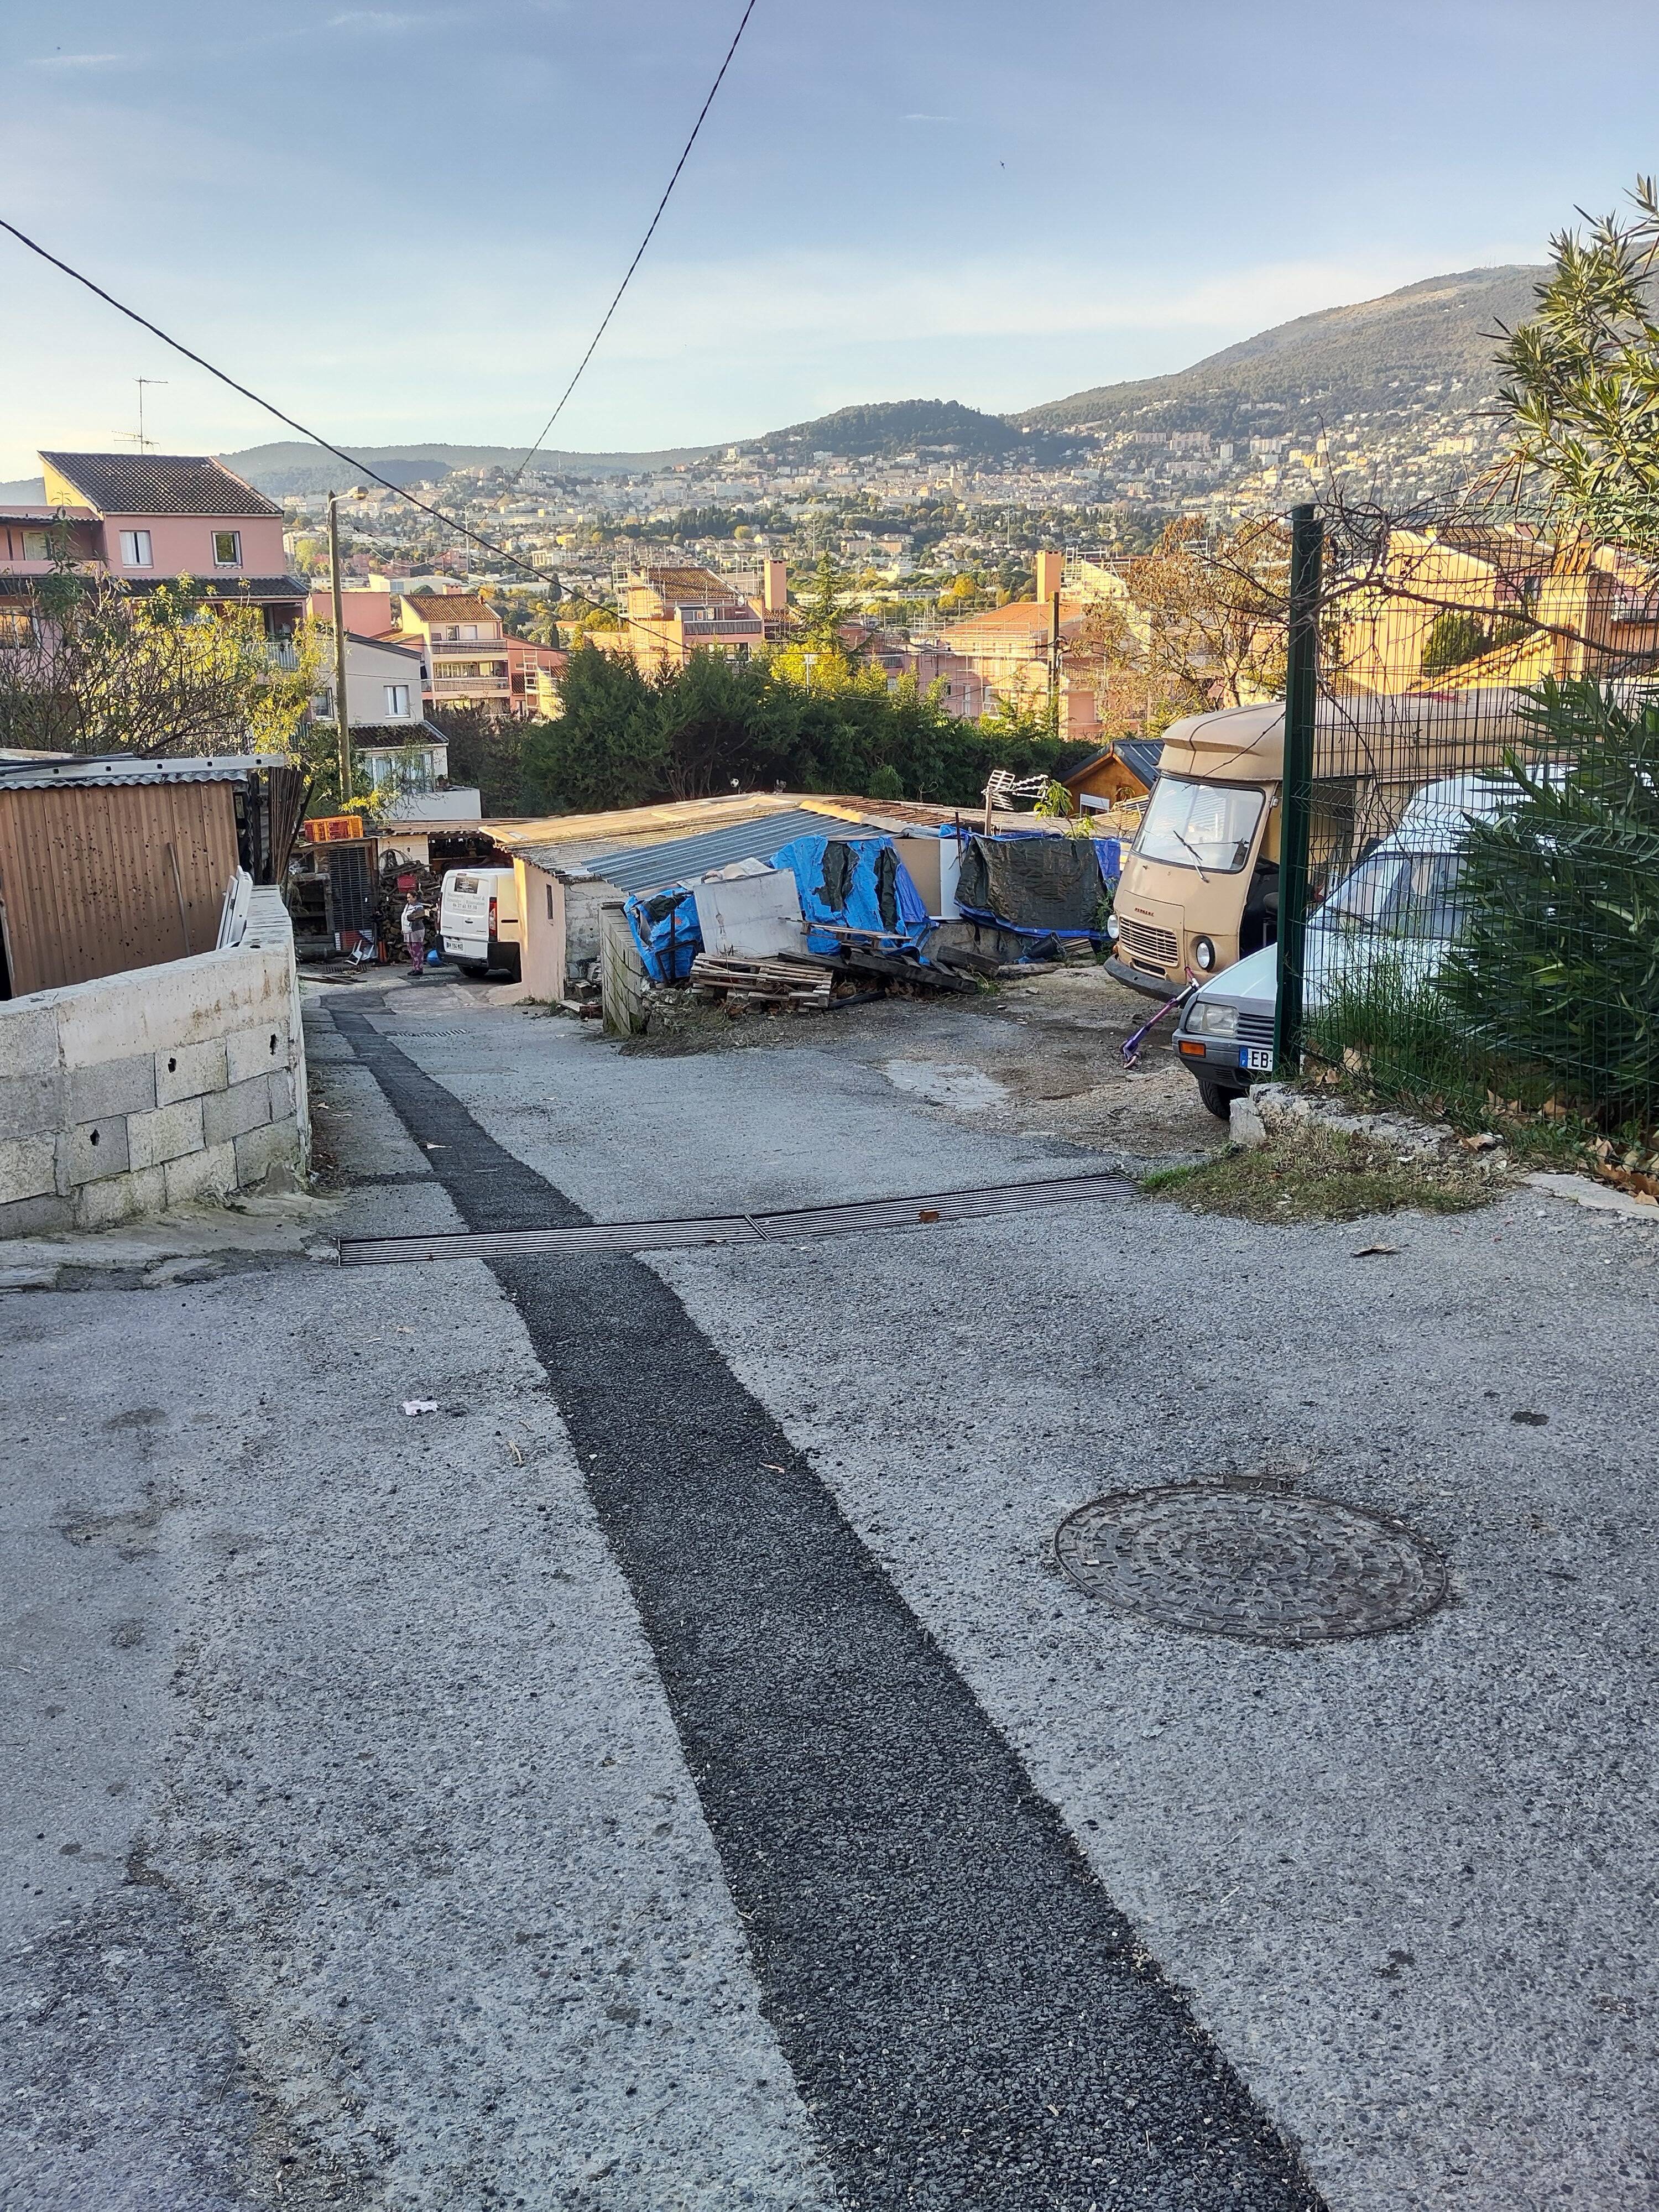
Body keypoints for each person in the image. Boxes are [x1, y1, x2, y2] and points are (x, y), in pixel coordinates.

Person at [400, 891, 429, 975]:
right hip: (408, 931)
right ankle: (415, 967)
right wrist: (403, 929)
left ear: (415, 898)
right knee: (411, 951)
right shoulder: (407, 906)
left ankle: (419, 968)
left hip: (415, 931)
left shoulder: (419, 907)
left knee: (417, 950)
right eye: (407, 898)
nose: (408, 899)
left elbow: (417, 917)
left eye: (409, 897)